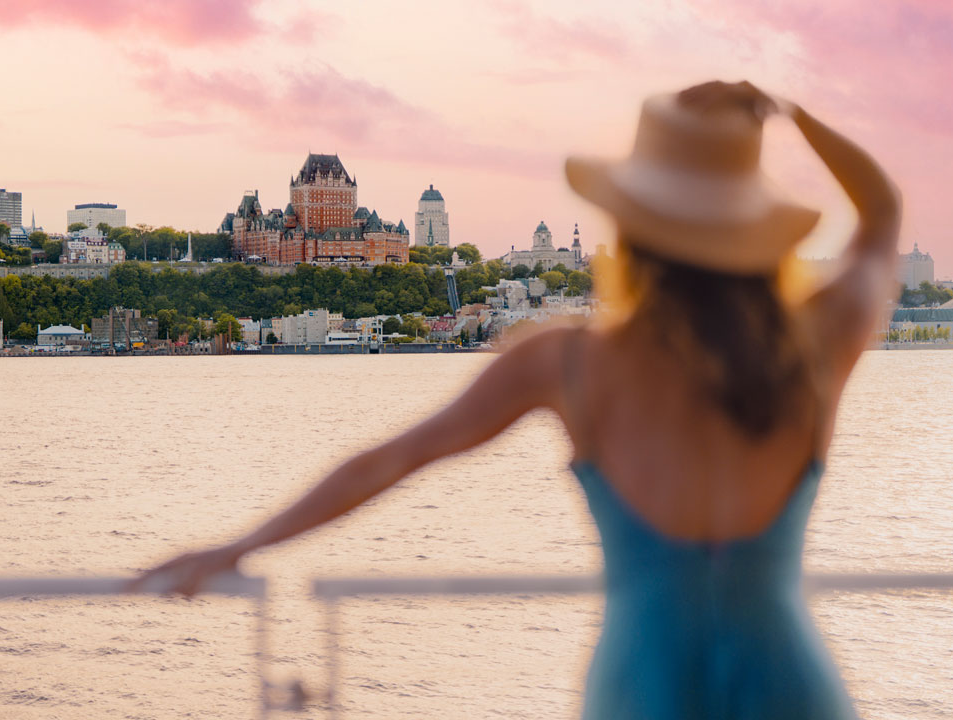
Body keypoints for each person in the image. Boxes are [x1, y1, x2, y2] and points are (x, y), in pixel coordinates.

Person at [131, 80, 900, 719]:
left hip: (645, 692)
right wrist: (784, 111)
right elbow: (882, 214)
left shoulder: (571, 362)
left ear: (631, 230)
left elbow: (390, 460)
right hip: (791, 690)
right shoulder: (811, 349)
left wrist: (237, 547)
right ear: (755, 232)